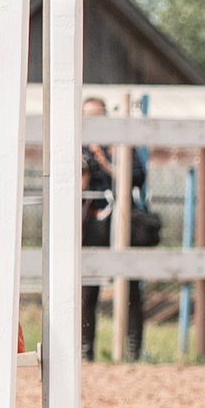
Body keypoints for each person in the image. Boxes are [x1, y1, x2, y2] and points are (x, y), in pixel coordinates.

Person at [81, 97, 150, 360]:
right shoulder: (76, 144)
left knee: (131, 288)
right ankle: (85, 351)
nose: (93, 121)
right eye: (88, 116)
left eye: (98, 115)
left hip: (121, 220)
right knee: (87, 289)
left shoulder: (121, 143)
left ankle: (133, 351)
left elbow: (138, 176)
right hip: (90, 223)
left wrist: (108, 166)